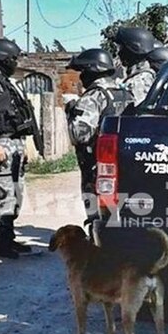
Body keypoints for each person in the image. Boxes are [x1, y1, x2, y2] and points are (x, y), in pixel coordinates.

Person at [0, 38, 39, 259]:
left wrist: (25, 145)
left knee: (16, 194)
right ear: (5, 58)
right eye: (14, 59)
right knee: (2, 194)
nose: (16, 63)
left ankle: (7, 237)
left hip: (16, 144)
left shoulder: (8, 83)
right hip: (1, 144)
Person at [65, 48, 131, 231]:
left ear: (91, 71)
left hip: (97, 165)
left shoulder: (94, 96)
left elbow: (79, 134)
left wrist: (71, 111)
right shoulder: (124, 93)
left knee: (98, 215)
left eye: (83, 72)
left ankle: (99, 245)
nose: (81, 77)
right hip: (125, 162)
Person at [113, 27, 157, 107]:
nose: (118, 52)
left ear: (132, 49)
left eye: (121, 48)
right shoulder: (143, 76)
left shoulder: (140, 81)